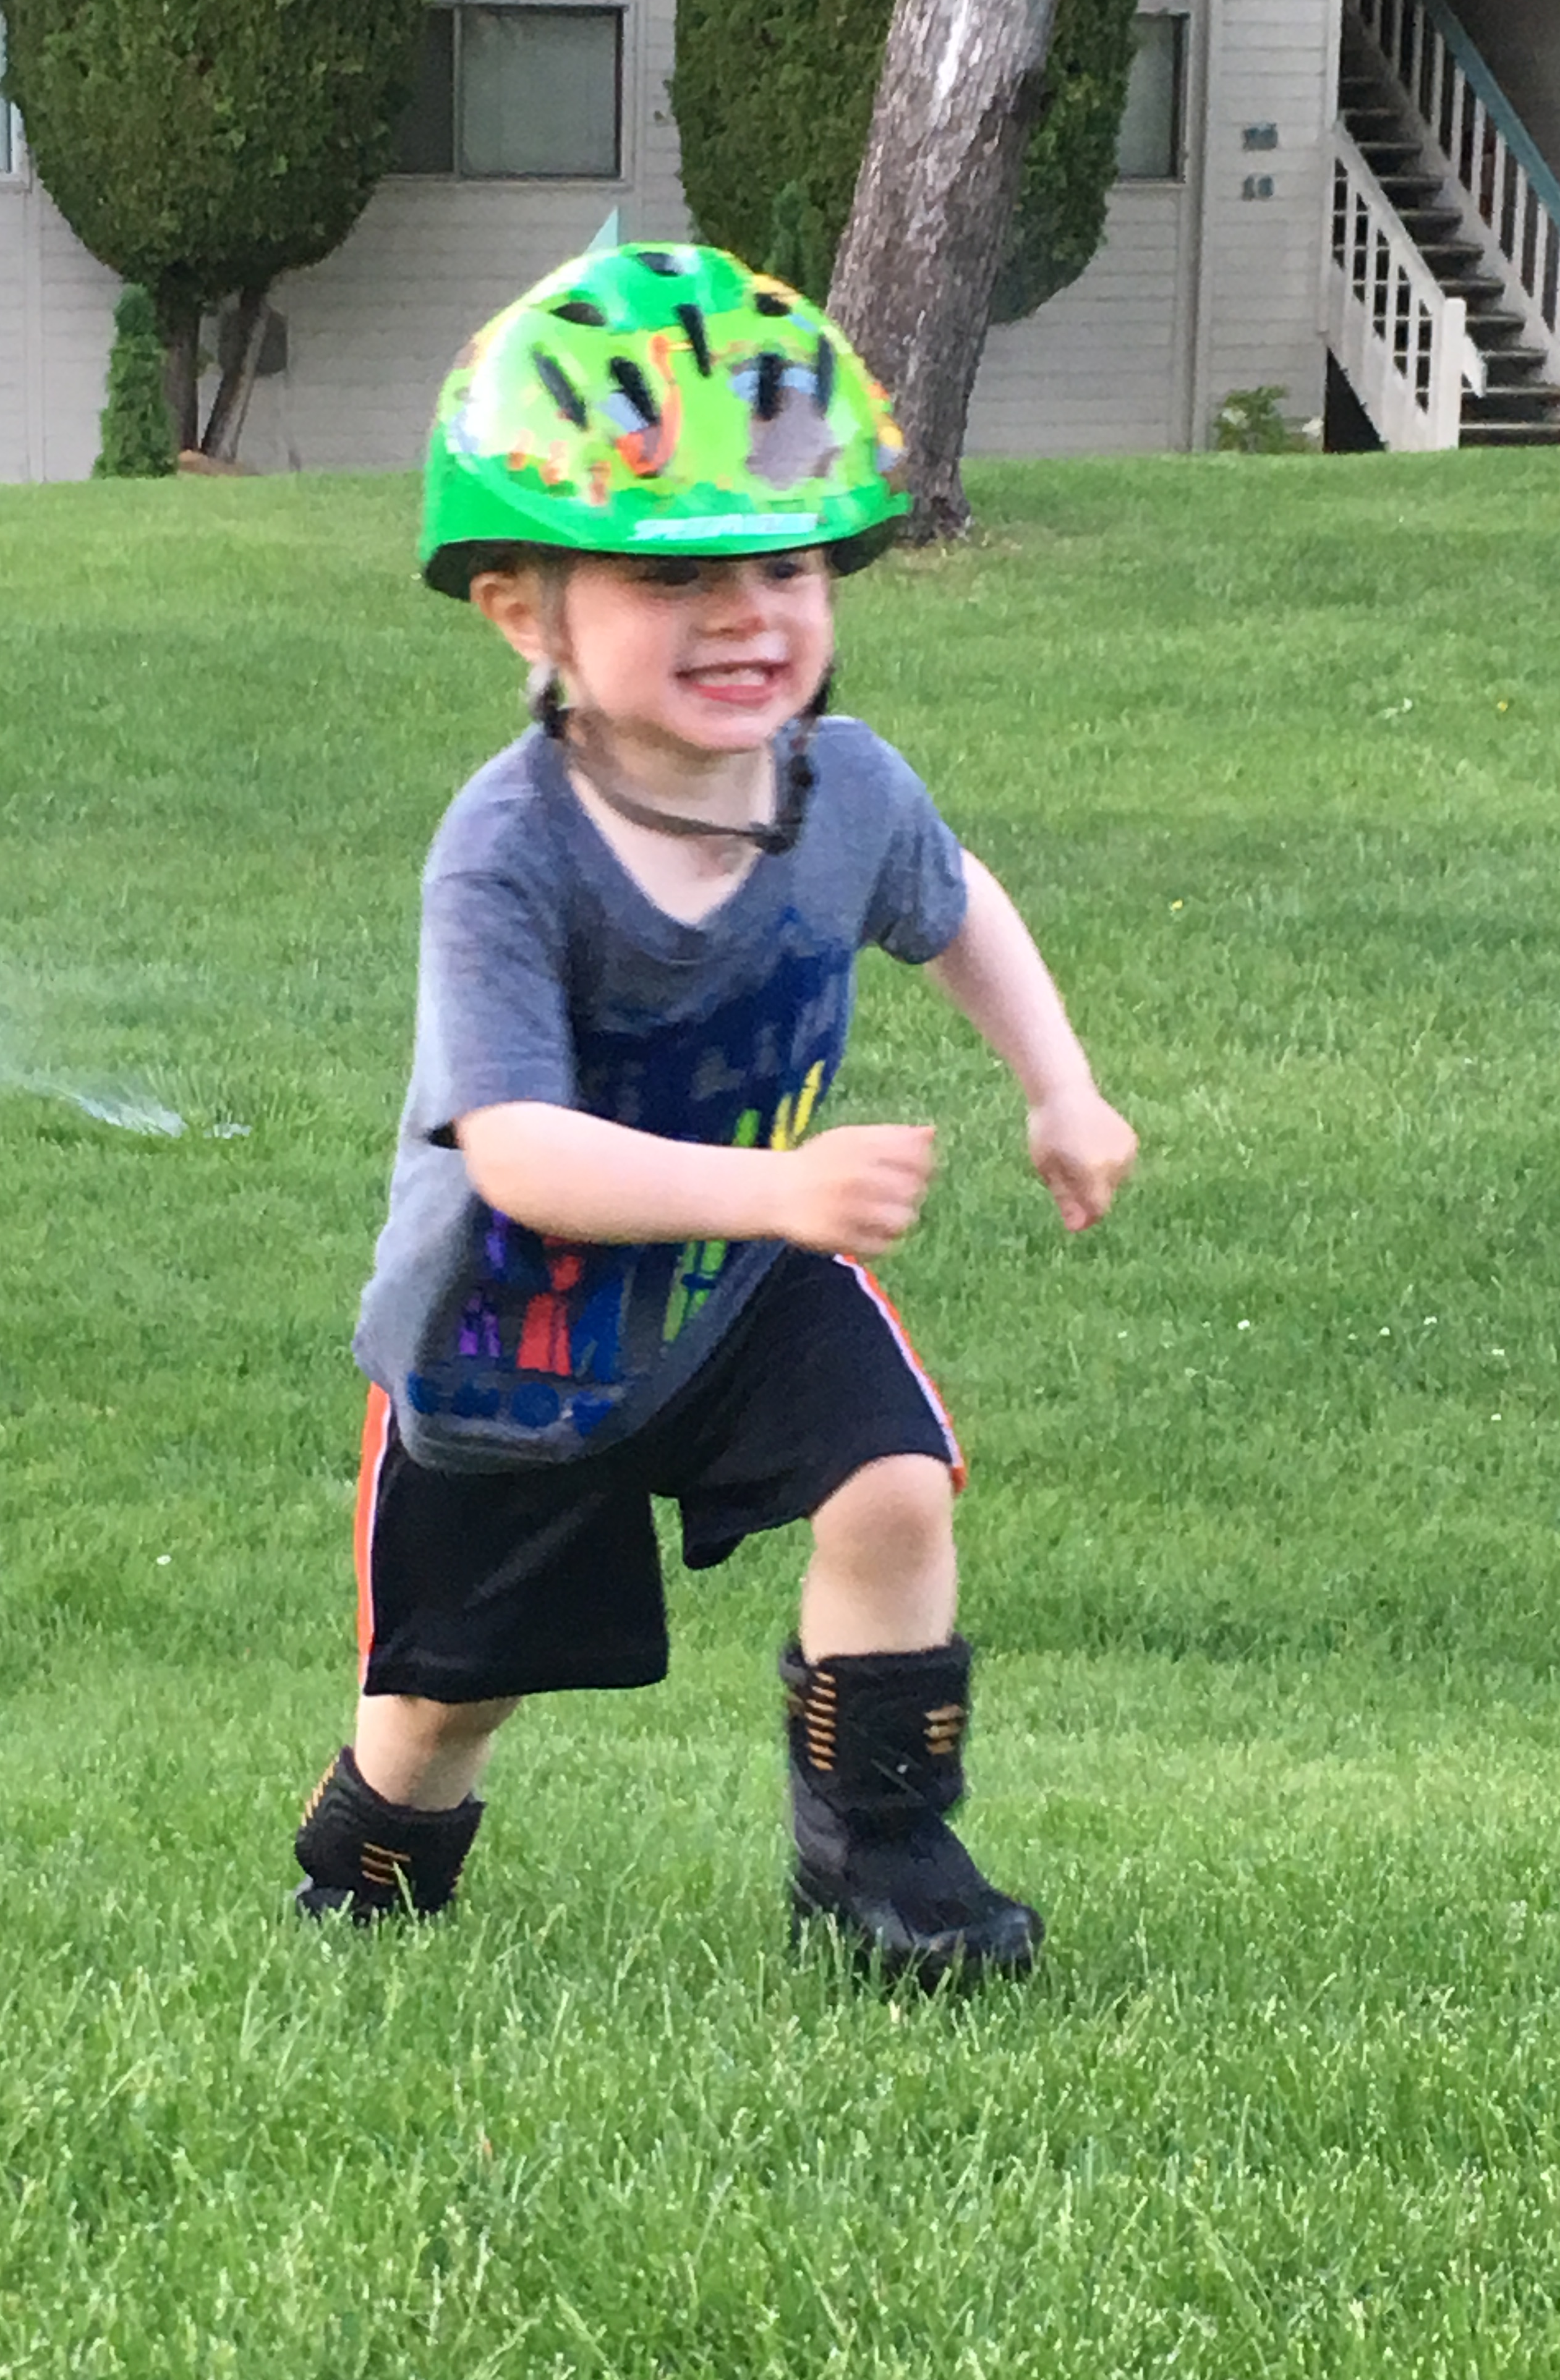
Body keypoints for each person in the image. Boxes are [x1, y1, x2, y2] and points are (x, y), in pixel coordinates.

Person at [292, 242, 1136, 1983]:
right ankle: (370, 1866)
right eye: (673, 577)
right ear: (525, 612)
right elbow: (517, 1152)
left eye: (786, 564)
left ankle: (884, 1863)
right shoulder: (506, 852)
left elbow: (954, 902)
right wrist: (774, 1191)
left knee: (895, 1484)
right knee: (451, 1701)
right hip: (515, 1335)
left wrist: (1061, 1087)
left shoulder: (849, 789)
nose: (749, 614)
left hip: (745, 1287)